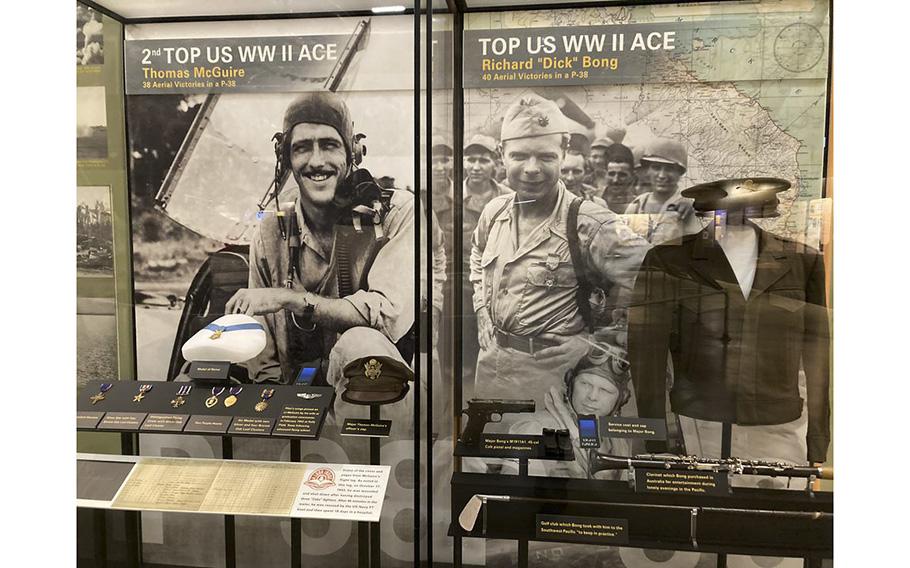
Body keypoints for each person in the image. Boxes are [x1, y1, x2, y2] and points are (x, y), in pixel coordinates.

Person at [226, 92, 417, 394]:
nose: (316, 162)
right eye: (302, 148)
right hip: (295, 401)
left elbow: (383, 316)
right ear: (285, 156)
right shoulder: (273, 223)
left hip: (379, 400)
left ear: (353, 152)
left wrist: (289, 298)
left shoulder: (397, 212)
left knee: (361, 343)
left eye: (329, 145)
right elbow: (261, 346)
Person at [469, 93, 650, 412]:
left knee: (550, 464)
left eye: (546, 157)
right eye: (519, 156)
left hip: (555, 383)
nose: (531, 169)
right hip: (491, 369)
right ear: (502, 155)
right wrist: (483, 311)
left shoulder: (592, 222)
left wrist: (593, 345)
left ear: (564, 153)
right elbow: (477, 259)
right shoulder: (494, 211)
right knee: (485, 460)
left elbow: (654, 285)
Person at [508, 346, 633, 479]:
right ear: (570, 383)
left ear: (621, 399)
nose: (592, 396)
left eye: (605, 390)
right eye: (585, 384)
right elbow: (519, 490)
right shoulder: (536, 429)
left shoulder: (617, 440)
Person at [624, 138, 701, 243]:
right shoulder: (638, 205)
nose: (662, 175)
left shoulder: (688, 208)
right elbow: (623, 246)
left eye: (669, 169)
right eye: (656, 168)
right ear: (648, 170)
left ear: (680, 172)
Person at [600, 143, 637, 214]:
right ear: (605, 174)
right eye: (611, 174)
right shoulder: (594, 201)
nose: (615, 180)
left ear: (632, 176)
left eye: (622, 175)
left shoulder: (640, 204)